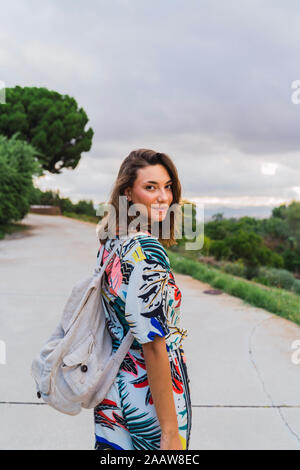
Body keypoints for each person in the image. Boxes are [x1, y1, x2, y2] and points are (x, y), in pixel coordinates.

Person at [94, 149, 192, 450]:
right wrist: (169, 431)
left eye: (168, 186)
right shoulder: (147, 250)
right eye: (150, 187)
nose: (163, 196)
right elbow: (153, 343)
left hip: (112, 402)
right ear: (129, 192)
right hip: (146, 410)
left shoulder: (111, 241)